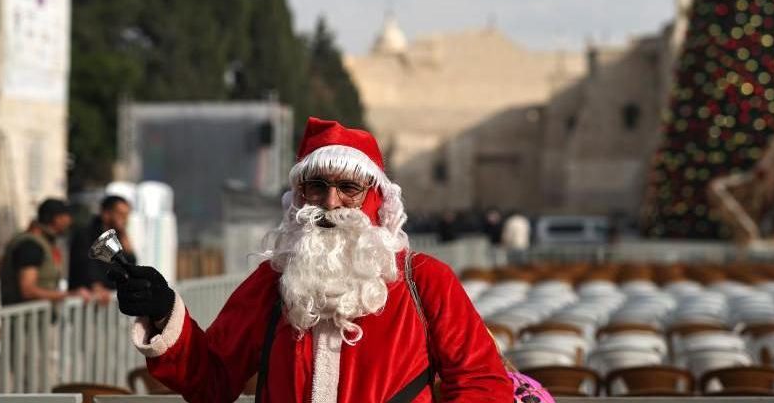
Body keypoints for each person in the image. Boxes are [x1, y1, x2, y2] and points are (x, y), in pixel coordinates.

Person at [116, 117, 513, 402]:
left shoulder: (425, 280)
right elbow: (212, 382)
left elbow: (482, 382)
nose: (330, 201)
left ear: (373, 196)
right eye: (317, 186)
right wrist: (166, 312)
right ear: (301, 195)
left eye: (348, 187)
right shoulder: (272, 283)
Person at [0, 198, 91, 306]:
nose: (70, 222)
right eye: (66, 217)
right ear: (57, 219)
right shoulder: (30, 245)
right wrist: (70, 294)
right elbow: (28, 290)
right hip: (26, 320)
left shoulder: (42, 242)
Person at [69, 195, 135, 305]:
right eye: (120, 214)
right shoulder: (86, 234)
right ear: (106, 213)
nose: (125, 219)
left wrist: (124, 234)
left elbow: (130, 264)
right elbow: (86, 263)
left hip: (110, 303)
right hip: (87, 303)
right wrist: (96, 286)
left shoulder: (118, 236)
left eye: (126, 215)